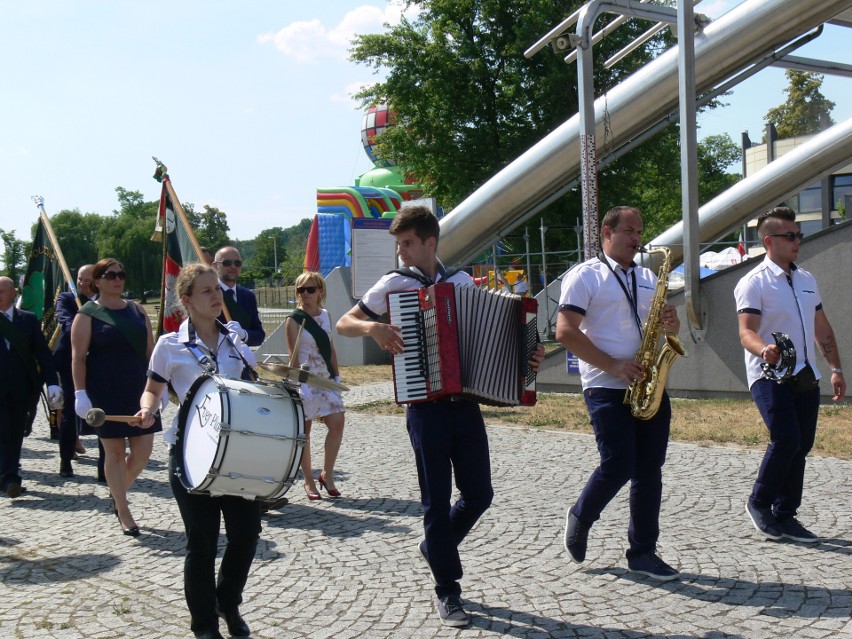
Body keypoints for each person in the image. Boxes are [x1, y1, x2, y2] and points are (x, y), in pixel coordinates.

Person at [336, 205, 544, 627]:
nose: (401, 252)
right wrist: (372, 328)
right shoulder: (394, 284)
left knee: (480, 494)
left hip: (466, 404)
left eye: (408, 243)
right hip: (424, 407)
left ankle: (435, 547)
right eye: (399, 245)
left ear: (430, 242)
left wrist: (530, 354)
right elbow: (344, 322)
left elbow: (503, 337)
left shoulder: (462, 282)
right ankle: (448, 590)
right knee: (436, 501)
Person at [556, 205, 681, 581]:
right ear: (606, 233)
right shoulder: (585, 276)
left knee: (650, 470)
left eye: (640, 231)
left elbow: (651, 329)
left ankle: (642, 551)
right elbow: (565, 331)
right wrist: (612, 365)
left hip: (646, 382)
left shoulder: (646, 277)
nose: (637, 238)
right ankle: (581, 515)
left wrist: (668, 323)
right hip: (605, 384)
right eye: (629, 230)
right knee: (619, 464)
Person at [137, 263, 259, 639]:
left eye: (217, 289)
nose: (216, 295)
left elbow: (252, 386)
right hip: (190, 454)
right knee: (202, 543)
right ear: (187, 301)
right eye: (206, 291)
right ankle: (204, 626)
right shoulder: (169, 345)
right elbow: (153, 389)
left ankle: (227, 600)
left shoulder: (235, 339)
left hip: (235, 451)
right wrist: (147, 409)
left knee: (246, 533)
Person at [735, 206, 845, 543]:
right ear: (769, 241)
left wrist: (836, 369)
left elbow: (822, 329)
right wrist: (763, 348)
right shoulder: (753, 283)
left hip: (804, 374)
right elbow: (746, 332)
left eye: (798, 235)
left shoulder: (807, 279)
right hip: (769, 375)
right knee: (787, 438)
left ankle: (785, 515)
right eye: (790, 236)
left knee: (803, 444)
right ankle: (759, 503)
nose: (798, 240)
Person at [71, 258, 161, 536]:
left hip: (138, 390)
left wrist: (159, 386)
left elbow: (151, 352)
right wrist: (80, 393)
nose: (117, 279)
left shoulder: (137, 310)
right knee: (115, 452)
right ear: (97, 281)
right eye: (110, 274)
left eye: (121, 274)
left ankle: (116, 492)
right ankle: (123, 509)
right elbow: (78, 357)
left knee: (143, 452)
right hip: (104, 392)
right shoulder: (86, 314)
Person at [0, 276, 61, 498]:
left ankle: (8, 477)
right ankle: (8, 478)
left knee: (15, 433)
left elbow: (42, 353)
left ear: (13, 292)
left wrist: (52, 382)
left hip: (20, 389)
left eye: (2, 292)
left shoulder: (27, 320)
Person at [287, 271, 345, 500]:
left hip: (325, 379)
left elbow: (330, 347)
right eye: (301, 290)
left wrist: (337, 376)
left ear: (320, 291)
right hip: (305, 380)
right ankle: (309, 481)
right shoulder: (294, 319)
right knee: (305, 432)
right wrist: (298, 383)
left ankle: (327, 474)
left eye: (310, 289)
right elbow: (292, 355)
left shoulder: (326, 315)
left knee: (338, 423)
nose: (305, 294)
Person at [53, 264, 96, 478]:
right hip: (69, 360)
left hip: (97, 362)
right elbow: (67, 325)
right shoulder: (67, 299)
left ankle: (105, 467)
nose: (83, 283)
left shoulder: (102, 300)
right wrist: (89, 322)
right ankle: (65, 459)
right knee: (69, 410)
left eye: (88, 279)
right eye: (80, 279)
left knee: (101, 409)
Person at [214, 246, 265, 347]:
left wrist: (244, 334)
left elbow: (259, 336)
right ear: (215, 266)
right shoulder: (209, 293)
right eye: (227, 263)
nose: (233, 267)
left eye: (237, 263)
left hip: (242, 358)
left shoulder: (248, 295)